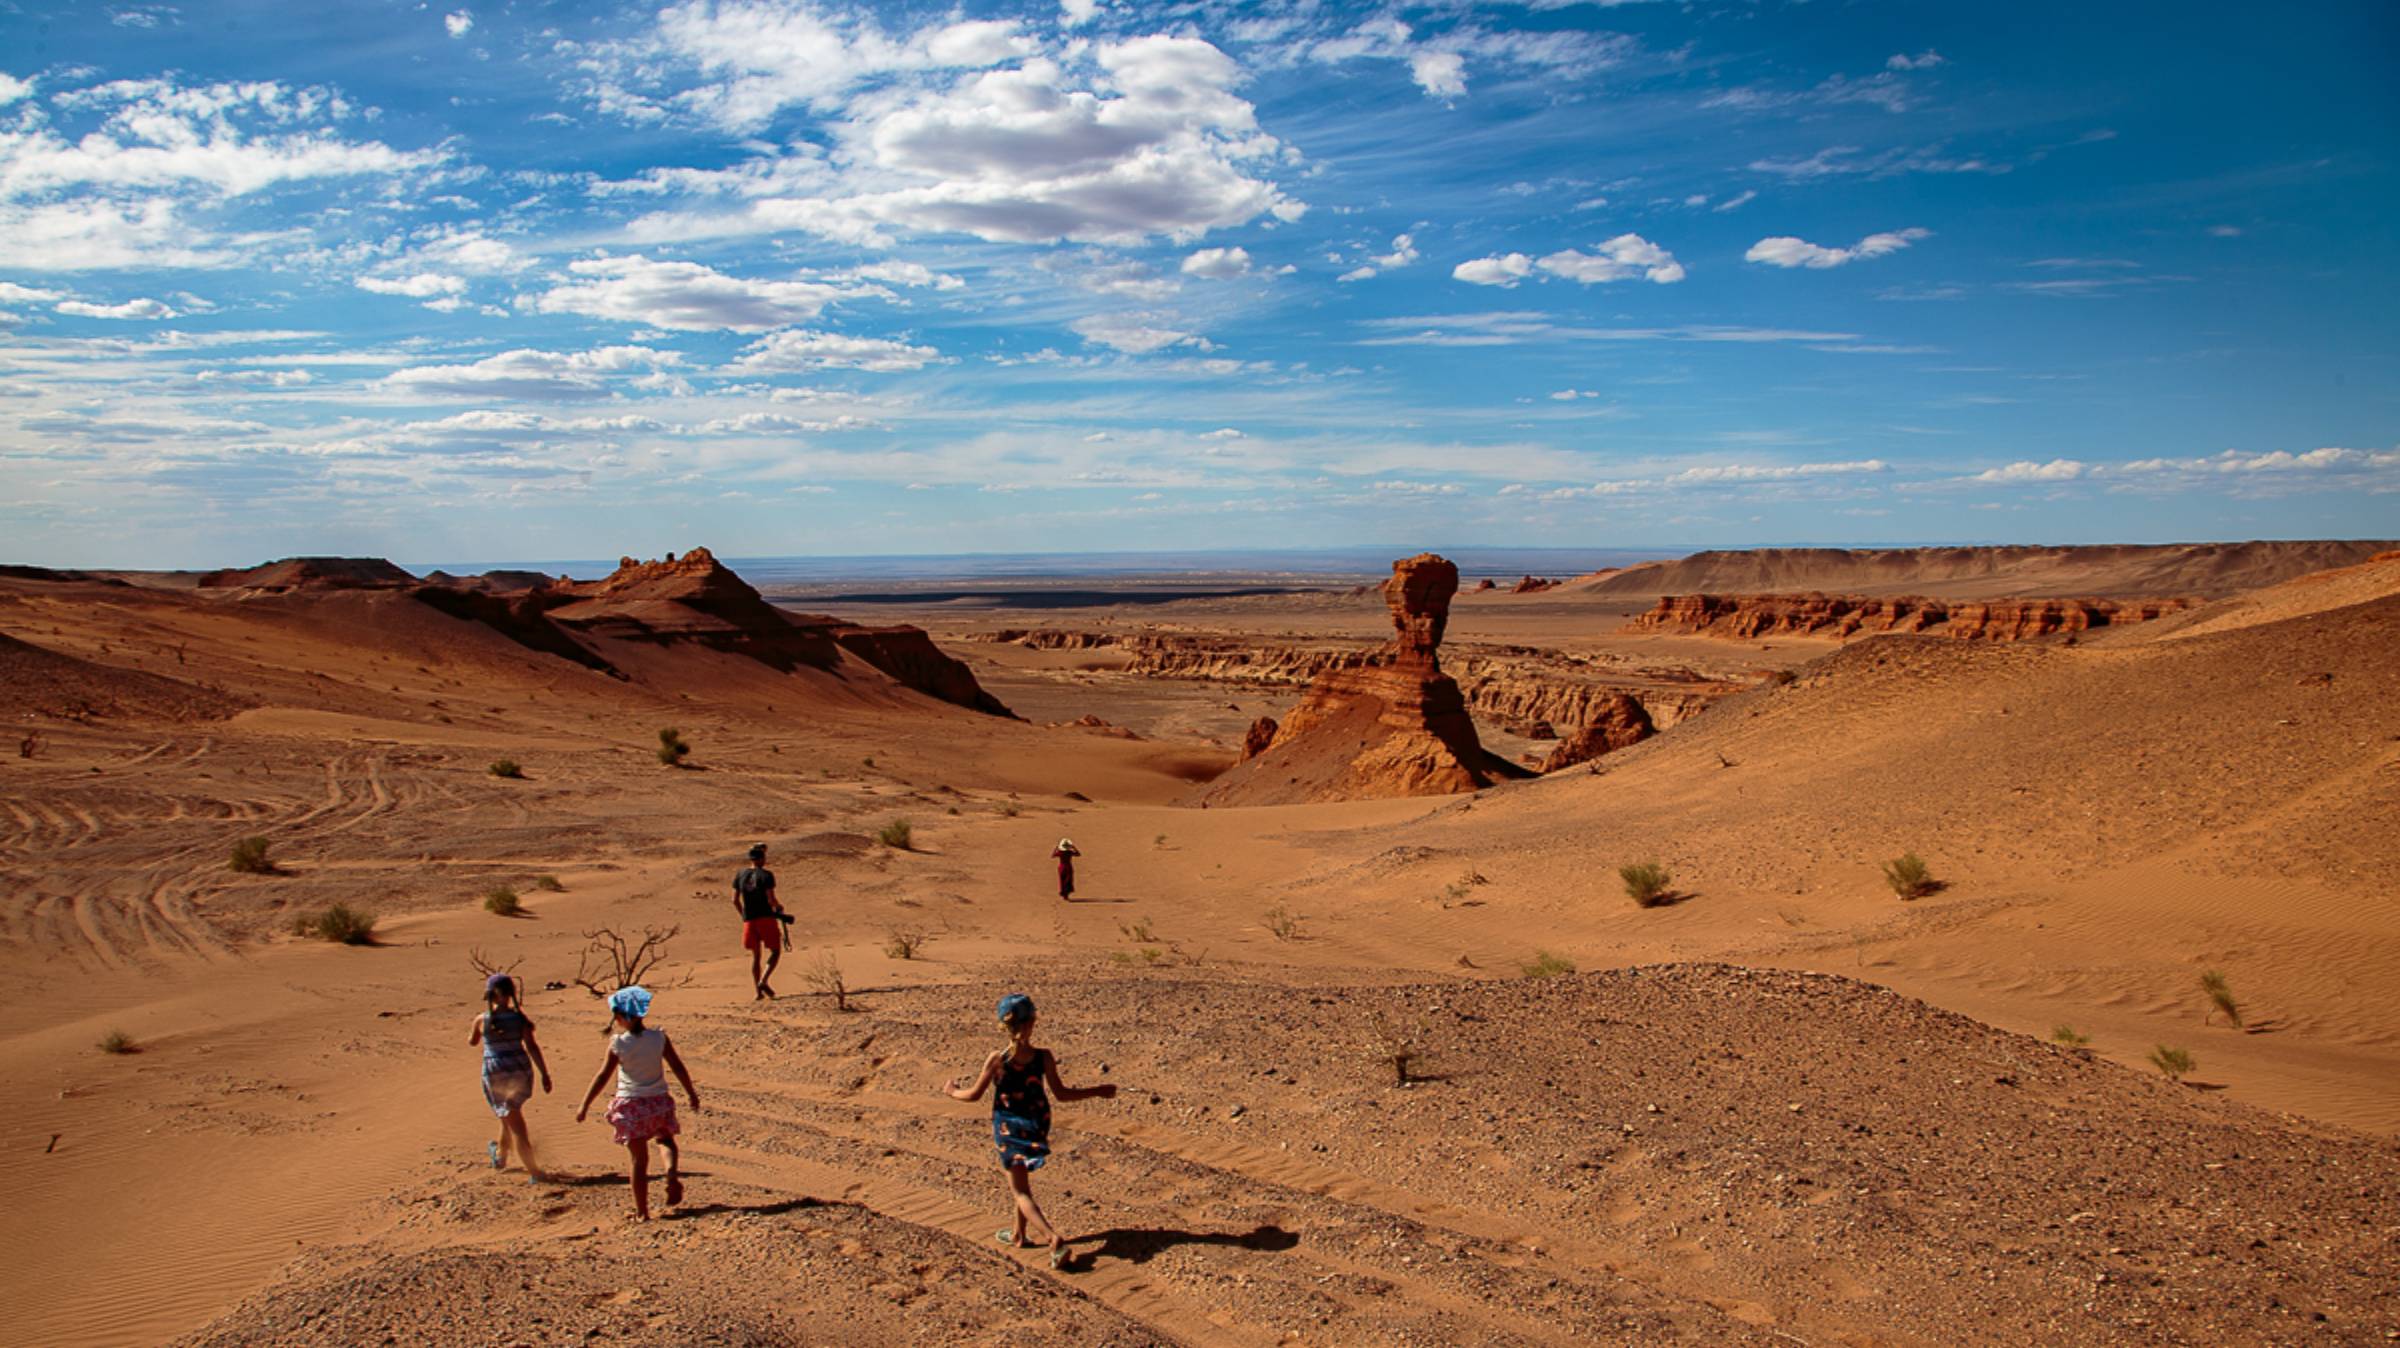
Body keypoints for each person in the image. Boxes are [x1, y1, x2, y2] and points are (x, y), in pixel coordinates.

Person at [944, 993, 1117, 1268]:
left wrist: (952, 1092)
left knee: (1020, 1192)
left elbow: (974, 1095)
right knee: (1022, 1180)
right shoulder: (1043, 1057)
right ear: (1033, 1022)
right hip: (1037, 1123)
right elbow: (1061, 1094)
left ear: (1004, 1025)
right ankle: (1018, 1234)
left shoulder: (997, 1059)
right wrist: (1098, 1091)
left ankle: (1052, 1237)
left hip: (1008, 1128)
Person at [575, 986, 701, 1222]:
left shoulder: (618, 1044)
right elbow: (678, 1067)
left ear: (620, 1017)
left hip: (631, 1106)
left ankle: (642, 1212)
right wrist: (691, 1093)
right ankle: (671, 1172)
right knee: (665, 1141)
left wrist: (585, 1105)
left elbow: (602, 1076)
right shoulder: (659, 1038)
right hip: (659, 1102)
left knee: (638, 1161)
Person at [469, 973, 551, 1179]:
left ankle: (534, 1170)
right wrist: (544, 1073)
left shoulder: (482, 1019)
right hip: (519, 1069)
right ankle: (501, 1156)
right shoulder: (519, 1019)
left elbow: (472, 1041)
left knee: (514, 1122)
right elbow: (532, 1046)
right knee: (507, 1114)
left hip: (496, 1072)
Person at [733, 842, 786, 999]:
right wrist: (779, 907)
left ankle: (758, 993)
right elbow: (771, 899)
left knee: (756, 956)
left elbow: (734, 900)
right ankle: (763, 981)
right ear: (762, 858)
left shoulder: (740, 874)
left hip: (749, 921)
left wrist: (744, 915)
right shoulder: (766, 875)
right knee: (775, 951)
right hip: (766, 918)